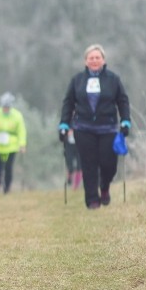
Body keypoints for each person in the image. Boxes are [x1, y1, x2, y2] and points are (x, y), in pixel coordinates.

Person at [58, 44, 131, 209]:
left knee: (108, 164)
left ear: (103, 60)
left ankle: (104, 187)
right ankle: (92, 200)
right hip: (83, 128)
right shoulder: (77, 80)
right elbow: (68, 103)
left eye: (97, 57)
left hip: (108, 128)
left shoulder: (113, 79)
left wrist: (126, 121)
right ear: (85, 61)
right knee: (88, 164)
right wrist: (64, 123)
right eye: (91, 58)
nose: (94, 60)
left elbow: (123, 101)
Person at [0, 92, 27, 194]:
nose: (5, 109)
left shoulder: (17, 115)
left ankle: (7, 187)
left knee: (8, 168)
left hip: (11, 147)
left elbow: (21, 131)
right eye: (4, 107)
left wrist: (22, 144)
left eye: (7, 107)